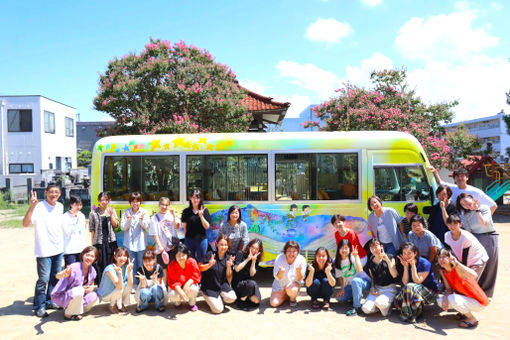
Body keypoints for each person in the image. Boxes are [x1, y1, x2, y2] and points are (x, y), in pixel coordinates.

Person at [23, 186, 64, 318]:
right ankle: (39, 306)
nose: (53, 194)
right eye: (51, 192)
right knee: (43, 280)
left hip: (58, 249)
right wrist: (31, 207)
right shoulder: (39, 207)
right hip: (44, 250)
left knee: (54, 278)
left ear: (60, 194)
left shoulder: (60, 206)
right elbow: (25, 223)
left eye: (56, 192)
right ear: (46, 192)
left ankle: (50, 301)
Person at [457, 193, 498, 297]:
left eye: (466, 201)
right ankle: (476, 290)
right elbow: (469, 231)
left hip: (489, 237)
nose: (466, 205)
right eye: (463, 204)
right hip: (476, 239)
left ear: (472, 199)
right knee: (477, 264)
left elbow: (484, 223)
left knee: (490, 264)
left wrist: (477, 210)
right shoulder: (466, 216)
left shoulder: (484, 208)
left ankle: (487, 292)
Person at [436, 248, 489, 328]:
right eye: (439, 257)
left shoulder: (457, 269)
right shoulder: (443, 272)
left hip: (479, 302)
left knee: (452, 298)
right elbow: (449, 289)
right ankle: (463, 312)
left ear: (451, 258)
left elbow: (474, 275)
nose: (441, 259)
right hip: (468, 299)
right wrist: (445, 298)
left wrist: (457, 263)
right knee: (440, 301)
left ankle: (472, 319)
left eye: (444, 256)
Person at [394, 242, 439, 323]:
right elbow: (405, 282)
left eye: (409, 253)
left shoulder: (424, 263)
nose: (406, 256)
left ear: (415, 253)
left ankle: (412, 315)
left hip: (430, 291)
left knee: (410, 286)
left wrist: (413, 266)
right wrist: (406, 267)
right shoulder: (405, 262)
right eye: (404, 253)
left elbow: (417, 281)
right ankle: (412, 310)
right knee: (397, 299)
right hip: (414, 290)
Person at [51, 246, 99, 321]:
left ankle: (75, 311)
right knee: (79, 290)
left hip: (76, 296)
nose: (89, 258)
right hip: (63, 295)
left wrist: (91, 288)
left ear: (95, 258)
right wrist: (63, 274)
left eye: (92, 256)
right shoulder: (74, 267)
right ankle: (68, 314)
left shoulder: (92, 270)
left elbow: (91, 283)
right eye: (87, 255)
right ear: (83, 255)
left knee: (94, 296)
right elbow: (58, 276)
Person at [430, 167, 497, 215]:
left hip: (472, 228)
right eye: (457, 176)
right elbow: (440, 182)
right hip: (456, 225)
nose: (459, 178)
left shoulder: (475, 192)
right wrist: (435, 172)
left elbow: (493, 205)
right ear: (454, 179)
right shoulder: (452, 188)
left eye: (462, 176)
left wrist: (485, 221)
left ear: (467, 178)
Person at [199, 234, 237, 313]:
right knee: (218, 310)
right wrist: (209, 264)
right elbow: (200, 268)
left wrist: (229, 267)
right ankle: (206, 295)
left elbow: (229, 279)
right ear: (216, 244)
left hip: (222, 285)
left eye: (226, 245)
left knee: (232, 297)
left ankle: (219, 297)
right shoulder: (210, 254)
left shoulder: (228, 258)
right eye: (221, 244)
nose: (223, 247)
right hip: (209, 286)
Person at [361, 239, 398, 316]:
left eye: (376, 246)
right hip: (377, 289)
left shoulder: (390, 257)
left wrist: (387, 260)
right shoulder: (370, 261)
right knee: (366, 309)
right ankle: (381, 306)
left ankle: (387, 305)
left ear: (381, 246)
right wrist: (372, 288)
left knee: (380, 303)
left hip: (389, 289)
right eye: (371, 247)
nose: (374, 249)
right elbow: (372, 278)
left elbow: (394, 275)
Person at [444, 214, 488, 279]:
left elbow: (465, 257)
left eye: (455, 224)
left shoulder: (466, 237)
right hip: (463, 260)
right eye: (450, 223)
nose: (452, 226)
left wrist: (462, 270)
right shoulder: (447, 235)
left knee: (470, 281)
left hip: (477, 260)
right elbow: (449, 252)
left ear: (460, 224)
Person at [334, 240, 371, 316]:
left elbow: (360, 270)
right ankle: (355, 297)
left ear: (349, 249)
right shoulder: (337, 261)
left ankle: (357, 307)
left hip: (364, 282)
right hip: (351, 285)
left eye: (346, 248)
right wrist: (342, 289)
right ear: (338, 249)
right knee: (339, 298)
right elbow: (340, 277)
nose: (344, 250)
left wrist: (356, 256)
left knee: (355, 281)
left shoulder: (352, 257)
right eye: (342, 248)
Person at [121, 192, 150, 286]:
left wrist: (141, 220)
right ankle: (133, 284)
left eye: (137, 201)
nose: (135, 203)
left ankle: (142, 284)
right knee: (131, 265)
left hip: (141, 244)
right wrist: (129, 220)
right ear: (130, 202)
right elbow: (123, 228)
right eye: (133, 201)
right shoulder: (126, 212)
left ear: (140, 202)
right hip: (129, 244)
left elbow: (147, 227)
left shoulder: (144, 212)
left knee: (141, 265)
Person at [89, 192, 119, 285]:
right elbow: (92, 229)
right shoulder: (93, 213)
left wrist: (111, 215)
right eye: (102, 200)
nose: (104, 202)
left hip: (110, 242)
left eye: (106, 200)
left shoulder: (112, 211)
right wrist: (92, 244)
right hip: (99, 242)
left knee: (111, 262)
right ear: (98, 201)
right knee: (99, 263)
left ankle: (111, 282)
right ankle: (101, 284)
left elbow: (116, 225)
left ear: (109, 201)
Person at [149, 197, 180, 279]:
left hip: (172, 247)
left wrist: (173, 215)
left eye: (166, 205)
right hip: (161, 248)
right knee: (163, 269)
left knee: (173, 267)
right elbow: (155, 234)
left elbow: (177, 226)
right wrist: (160, 247)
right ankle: (165, 287)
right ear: (159, 205)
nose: (164, 207)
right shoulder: (154, 218)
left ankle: (172, 286)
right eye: (162, 204)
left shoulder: (171, 215)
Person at [97, 247, 134, 314]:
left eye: (124, 256)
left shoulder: (127, 267)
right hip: (106, 294)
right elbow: (119, 286)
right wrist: (120, 274)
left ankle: (119, 303)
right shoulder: (110, 268)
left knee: (128, 286)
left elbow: (130, 284)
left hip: (117, 291)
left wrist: (129, 271)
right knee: (121, 286)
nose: (122, 258)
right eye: (119, 256)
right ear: (115, 257)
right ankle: (112, 305)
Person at [270, 240, 306, 308]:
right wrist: (281, 272)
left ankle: (292, 299)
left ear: (298, 252)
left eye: (294, 251)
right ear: (285, 251)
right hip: (280, 286)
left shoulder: (301, 259)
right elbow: (277, 277)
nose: (291, 254)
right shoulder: (279, 258)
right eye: (289, 251)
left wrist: (298, 270)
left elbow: (300, 278)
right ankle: (285, 295)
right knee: (273, 303)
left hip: (293, 285)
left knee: (293, 290)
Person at [167, 243, 202, 311]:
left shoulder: (192, 261)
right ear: (175, 256)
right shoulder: (171, 266)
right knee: (172, 295)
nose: (181, 258)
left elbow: (196, 275)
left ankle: (192, 303)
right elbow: (172, 281)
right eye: (178, 255)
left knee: (194, 289)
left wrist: (188, 283)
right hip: (177, 287)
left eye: (183, 255)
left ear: (187, 255)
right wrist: (180, 291)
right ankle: (177, 302)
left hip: (189, 285)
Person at [182, 189, 212, 263]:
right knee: (189, 261)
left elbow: (207, 227)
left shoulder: (205, 210)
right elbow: (185, 227)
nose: (195, 200)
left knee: (201, 261)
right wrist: (186, 238)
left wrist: (201, 216)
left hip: (202, 240)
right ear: (190, 198)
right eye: (193, 197)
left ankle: (200, 275)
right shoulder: (186, 211)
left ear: (200, 199)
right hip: (189, 240)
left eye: (197, 197)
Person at [233, 239, 263, 310]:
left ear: (259, 251)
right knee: (252, 283)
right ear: (249, 246)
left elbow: (252, 274)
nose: (254, 250)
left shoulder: (256, 259)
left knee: (256, 301)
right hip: (238, 283)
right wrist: (247, 259)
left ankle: (247, 297)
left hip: (248, 285)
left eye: (256, 249)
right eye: (252, 247)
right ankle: (241, 300)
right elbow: (237, 269)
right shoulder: (240, 254)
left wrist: (253, 261)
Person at [62, 195, 87, 266]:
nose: (79, 207)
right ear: (71, 204)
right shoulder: (65, 217)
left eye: (80, 205)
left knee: (80, 270)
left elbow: (83, 233)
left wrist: (84, 247)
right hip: (70, 249)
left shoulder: (82, 215)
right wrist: (74, 220)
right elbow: (66, 232)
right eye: (76, 205)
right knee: (71, 271)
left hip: (81, 249)